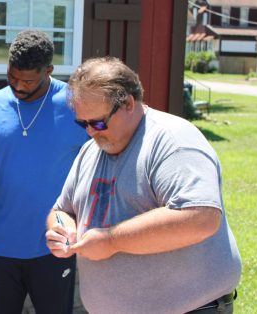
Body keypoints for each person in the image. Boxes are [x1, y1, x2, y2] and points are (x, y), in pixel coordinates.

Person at [46, 57, 241, 314]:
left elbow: (201, 217)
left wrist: (111, 241)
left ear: (127, 103)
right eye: (83, 124)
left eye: (98, 122)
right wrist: (61, 230)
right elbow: (62, 210)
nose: (91, 132)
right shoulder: (91, 151)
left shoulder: (172, 141)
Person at [0, 30, 88, 313]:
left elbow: (102, 153)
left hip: (55, 243)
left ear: (49, 71)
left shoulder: (76, 106)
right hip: (3, 243)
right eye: (12, 76)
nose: (18, 86)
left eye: (27, 80)